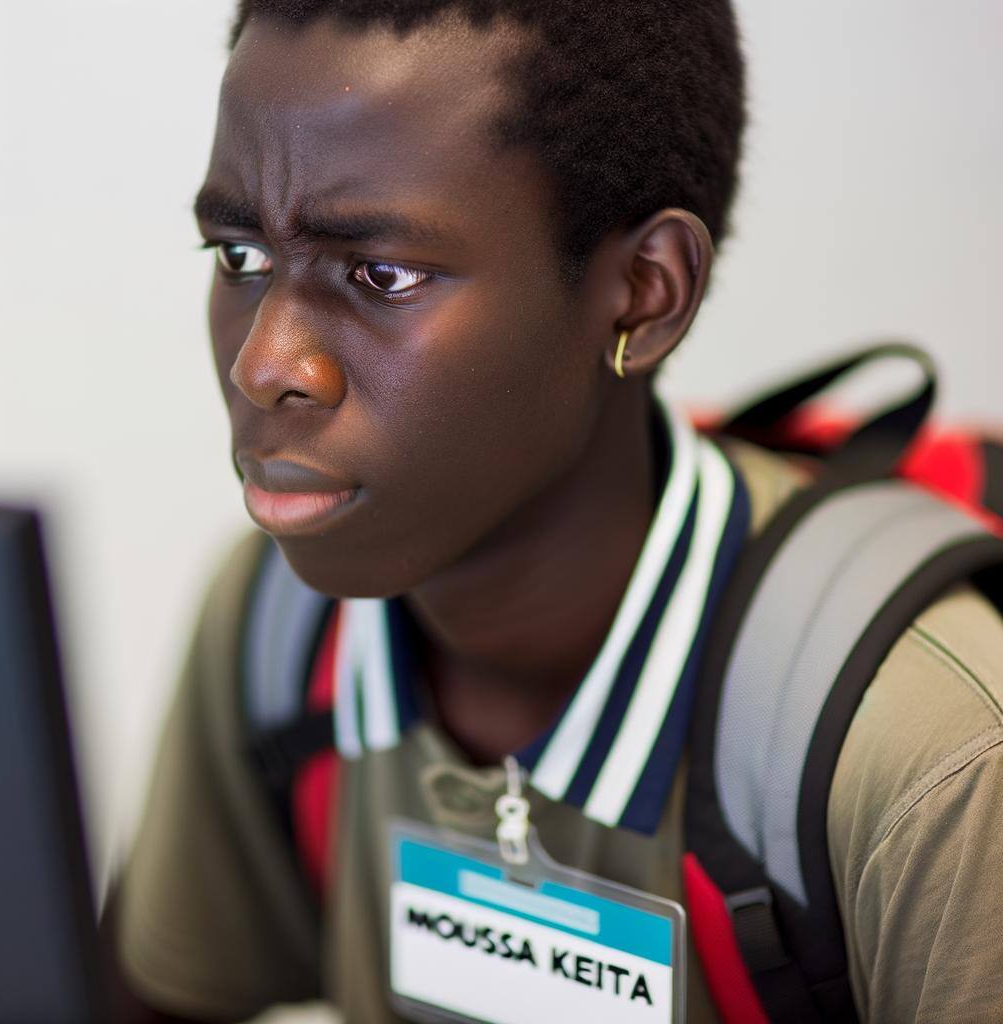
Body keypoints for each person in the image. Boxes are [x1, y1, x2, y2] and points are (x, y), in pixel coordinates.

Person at [105, 1, 1003, 1021]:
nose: (263, 364)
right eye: (239, 258)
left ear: (643, 293)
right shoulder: (274, 630)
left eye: (380, 273)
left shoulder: (930, 759)